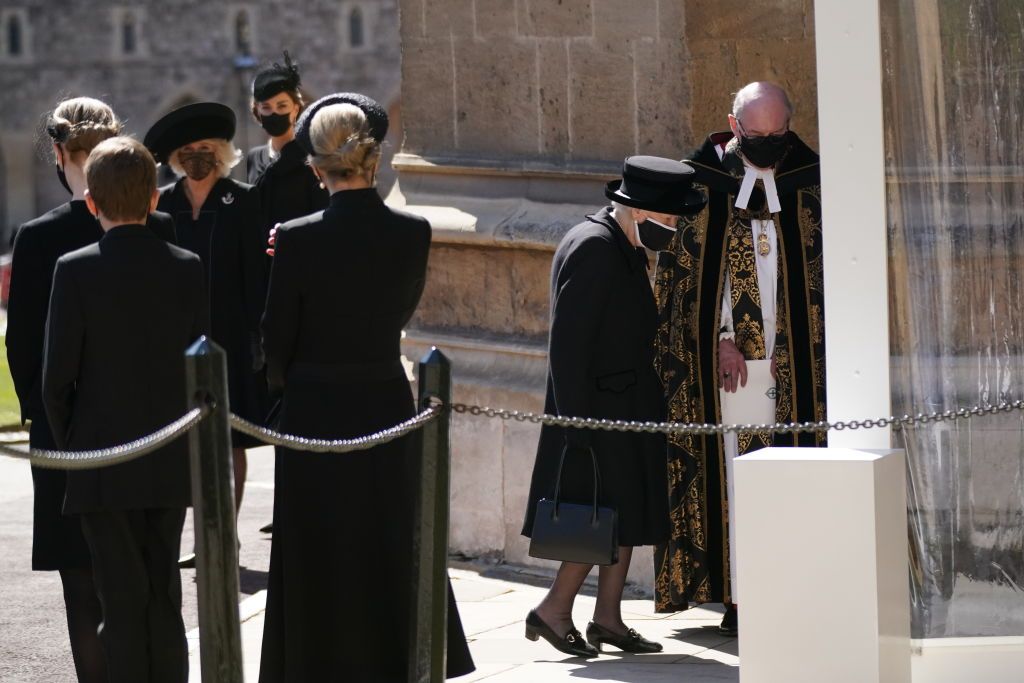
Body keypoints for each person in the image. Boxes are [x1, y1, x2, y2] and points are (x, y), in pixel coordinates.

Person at [259, 93, 474, 682]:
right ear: (374, 159)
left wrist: (287, 382)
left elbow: (275, 338)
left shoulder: (296, 238)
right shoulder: (413, 231)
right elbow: (400, 309)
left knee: (318, 542)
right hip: (383, 395)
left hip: (313, 405)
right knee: (389, 534)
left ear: (314, 167)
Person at [5, 96, 172, 683]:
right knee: (153, 583)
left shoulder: (36, 237)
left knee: (84, 592)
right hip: (154, 428)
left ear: (58, 151)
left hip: (67, 435)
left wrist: (48, 422)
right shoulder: (161, 228)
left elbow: (24, 348)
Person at [653, 81, 826, 635]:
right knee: (735, 473)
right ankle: (740, 593)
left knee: (795, 470)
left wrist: (799, 346)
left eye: (780, 133)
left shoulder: (810, 181)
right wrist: (720, 339)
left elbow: (827, 275)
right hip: (728, 366)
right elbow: (681, 286)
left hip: (795, 363)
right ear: (734, 124)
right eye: (759, 134)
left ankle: (799, 585)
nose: (771, 144)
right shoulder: (701, 184)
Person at [521, 156, 707, 657]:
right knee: (598, 516)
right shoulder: (595, 248)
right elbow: (568, 344)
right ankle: (553, 612)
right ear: (639, 210)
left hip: (626, 407)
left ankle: (607, 619)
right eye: (668, 220)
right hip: (597, 412)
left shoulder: (620, 243)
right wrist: (577, 423)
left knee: (625, 514)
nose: (672, 229)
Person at [42, 135, 208, 683]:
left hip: (101, 456)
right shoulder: (187, 266)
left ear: (91, 202)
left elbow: (56, 379)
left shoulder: (75, 268)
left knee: (118, 597)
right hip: (168, 451)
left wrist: (74, 447)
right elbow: (202, 362)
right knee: (163, 589)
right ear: (155, 200)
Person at [144, 102, 268, 546]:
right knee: (184, 441)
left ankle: (220, 534)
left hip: (231, 338)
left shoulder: (244, 200)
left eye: (206, 148)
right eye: (188, 149)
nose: (196, 156)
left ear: (221, 151)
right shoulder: (164, 205)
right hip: (177, 339)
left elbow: (258, 274)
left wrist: (260, 338)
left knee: (230, 438)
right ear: (176, 157)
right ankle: (193, 534)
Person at [246, 51, 329, 535]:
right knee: (276, 405)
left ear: (296, 105)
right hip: (264, 292)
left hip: (301, 293)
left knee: (301, 404)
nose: (273, 112)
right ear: (255, 110)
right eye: (265, 106)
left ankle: (302, 505)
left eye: (281, 104)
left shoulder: (309, 159)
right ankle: (285, 507)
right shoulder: (256, 161)